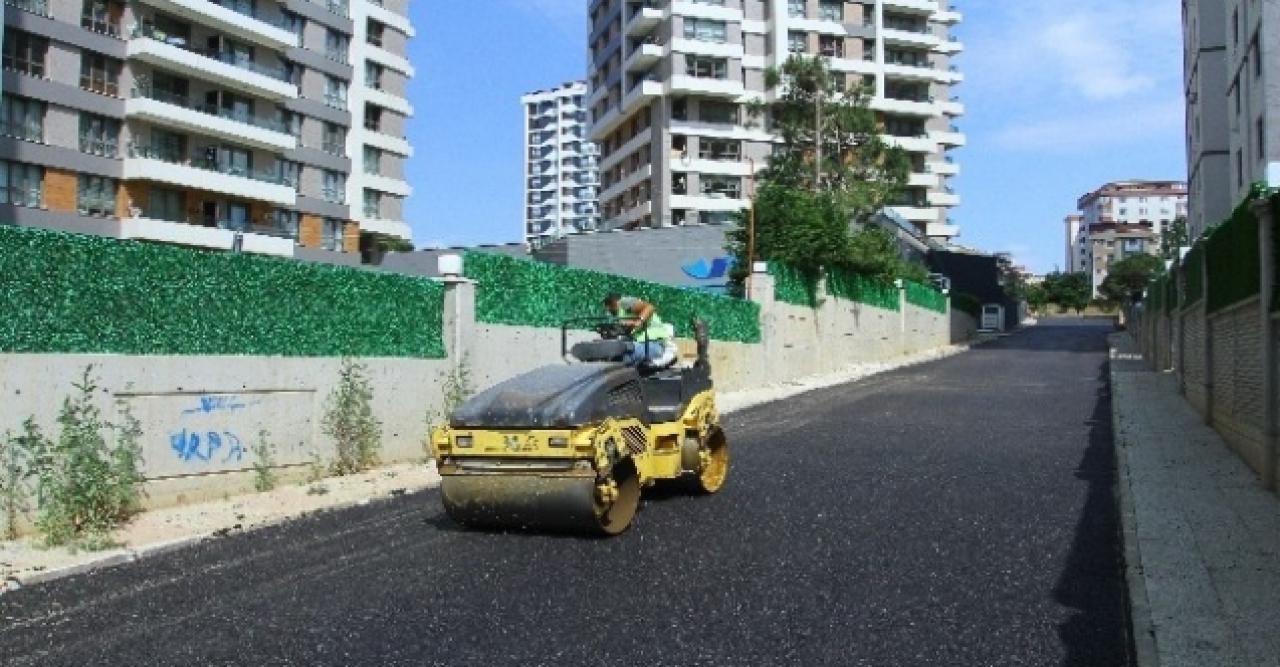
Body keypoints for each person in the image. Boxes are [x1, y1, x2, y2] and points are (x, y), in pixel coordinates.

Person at [603, 293, 676, 367]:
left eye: (608, 308)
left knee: (622, 354)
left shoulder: (623, 302)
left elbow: (649, 307)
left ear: (613, 303)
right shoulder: (620, 314)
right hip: (643, 344)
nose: (608, 311)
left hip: (655, 344)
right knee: (615, 353)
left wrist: (638, 322)